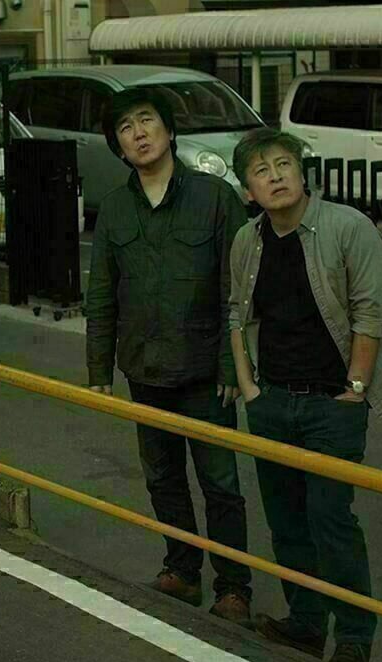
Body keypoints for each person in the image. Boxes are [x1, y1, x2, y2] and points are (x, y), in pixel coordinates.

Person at [228, 127, 382, 662]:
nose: (275, 176)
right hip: (273, 401)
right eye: (261, 170)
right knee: (286, 520)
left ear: (302, 173)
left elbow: (370, 313)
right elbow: (237, 313)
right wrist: (249, 387)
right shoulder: (247, 240)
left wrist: (355, 388)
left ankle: (353, 640)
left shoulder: (347, 227)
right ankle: (305, 622)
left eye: (284, 164)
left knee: (331, 520)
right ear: (249, 190)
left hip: (332, 404)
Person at [85, 87, 252, 625]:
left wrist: (232, 364)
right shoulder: (114, 209)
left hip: (206, 372)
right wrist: (98, 370)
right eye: (126, 128)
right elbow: (101, 294)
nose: (138, 133)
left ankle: (234, 588)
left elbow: (236, 289)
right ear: (118, 146)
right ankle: (181, 570)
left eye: (147, 121)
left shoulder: (214, 197)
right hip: (145, 368)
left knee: (220, 483)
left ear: (170, 130)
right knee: (162, 477)